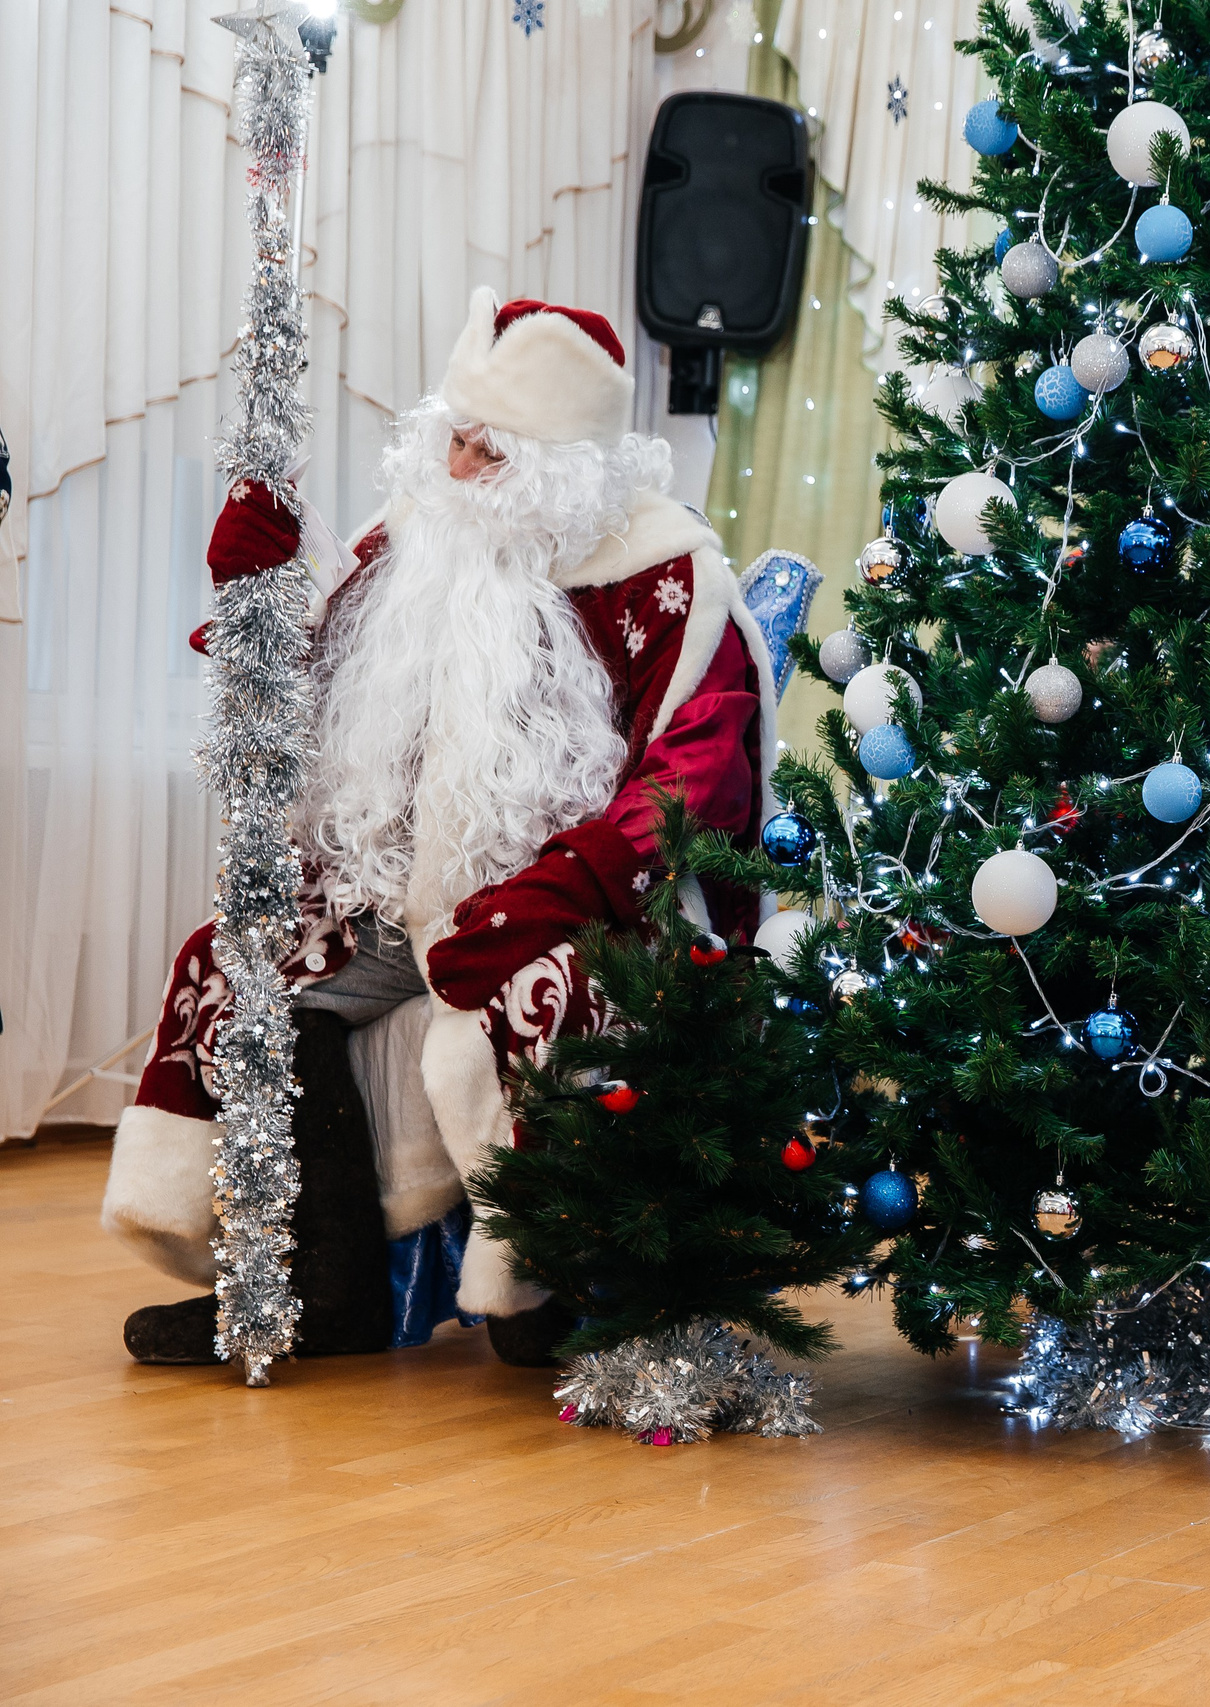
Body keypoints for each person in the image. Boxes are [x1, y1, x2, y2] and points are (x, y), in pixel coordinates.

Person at [102, 289, 778, 1368]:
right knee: (239, 970)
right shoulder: (410, 541)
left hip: (587, 899)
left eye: (488, 452)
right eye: (453, 440)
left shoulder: (665, 575)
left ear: (565, 469)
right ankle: (317, 1290)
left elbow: (699, 780)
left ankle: (549, 1291)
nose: (456, 470)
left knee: (534, 1000)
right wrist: (251, 596)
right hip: (398, 893)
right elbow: (291, 719)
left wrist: (549, 896)